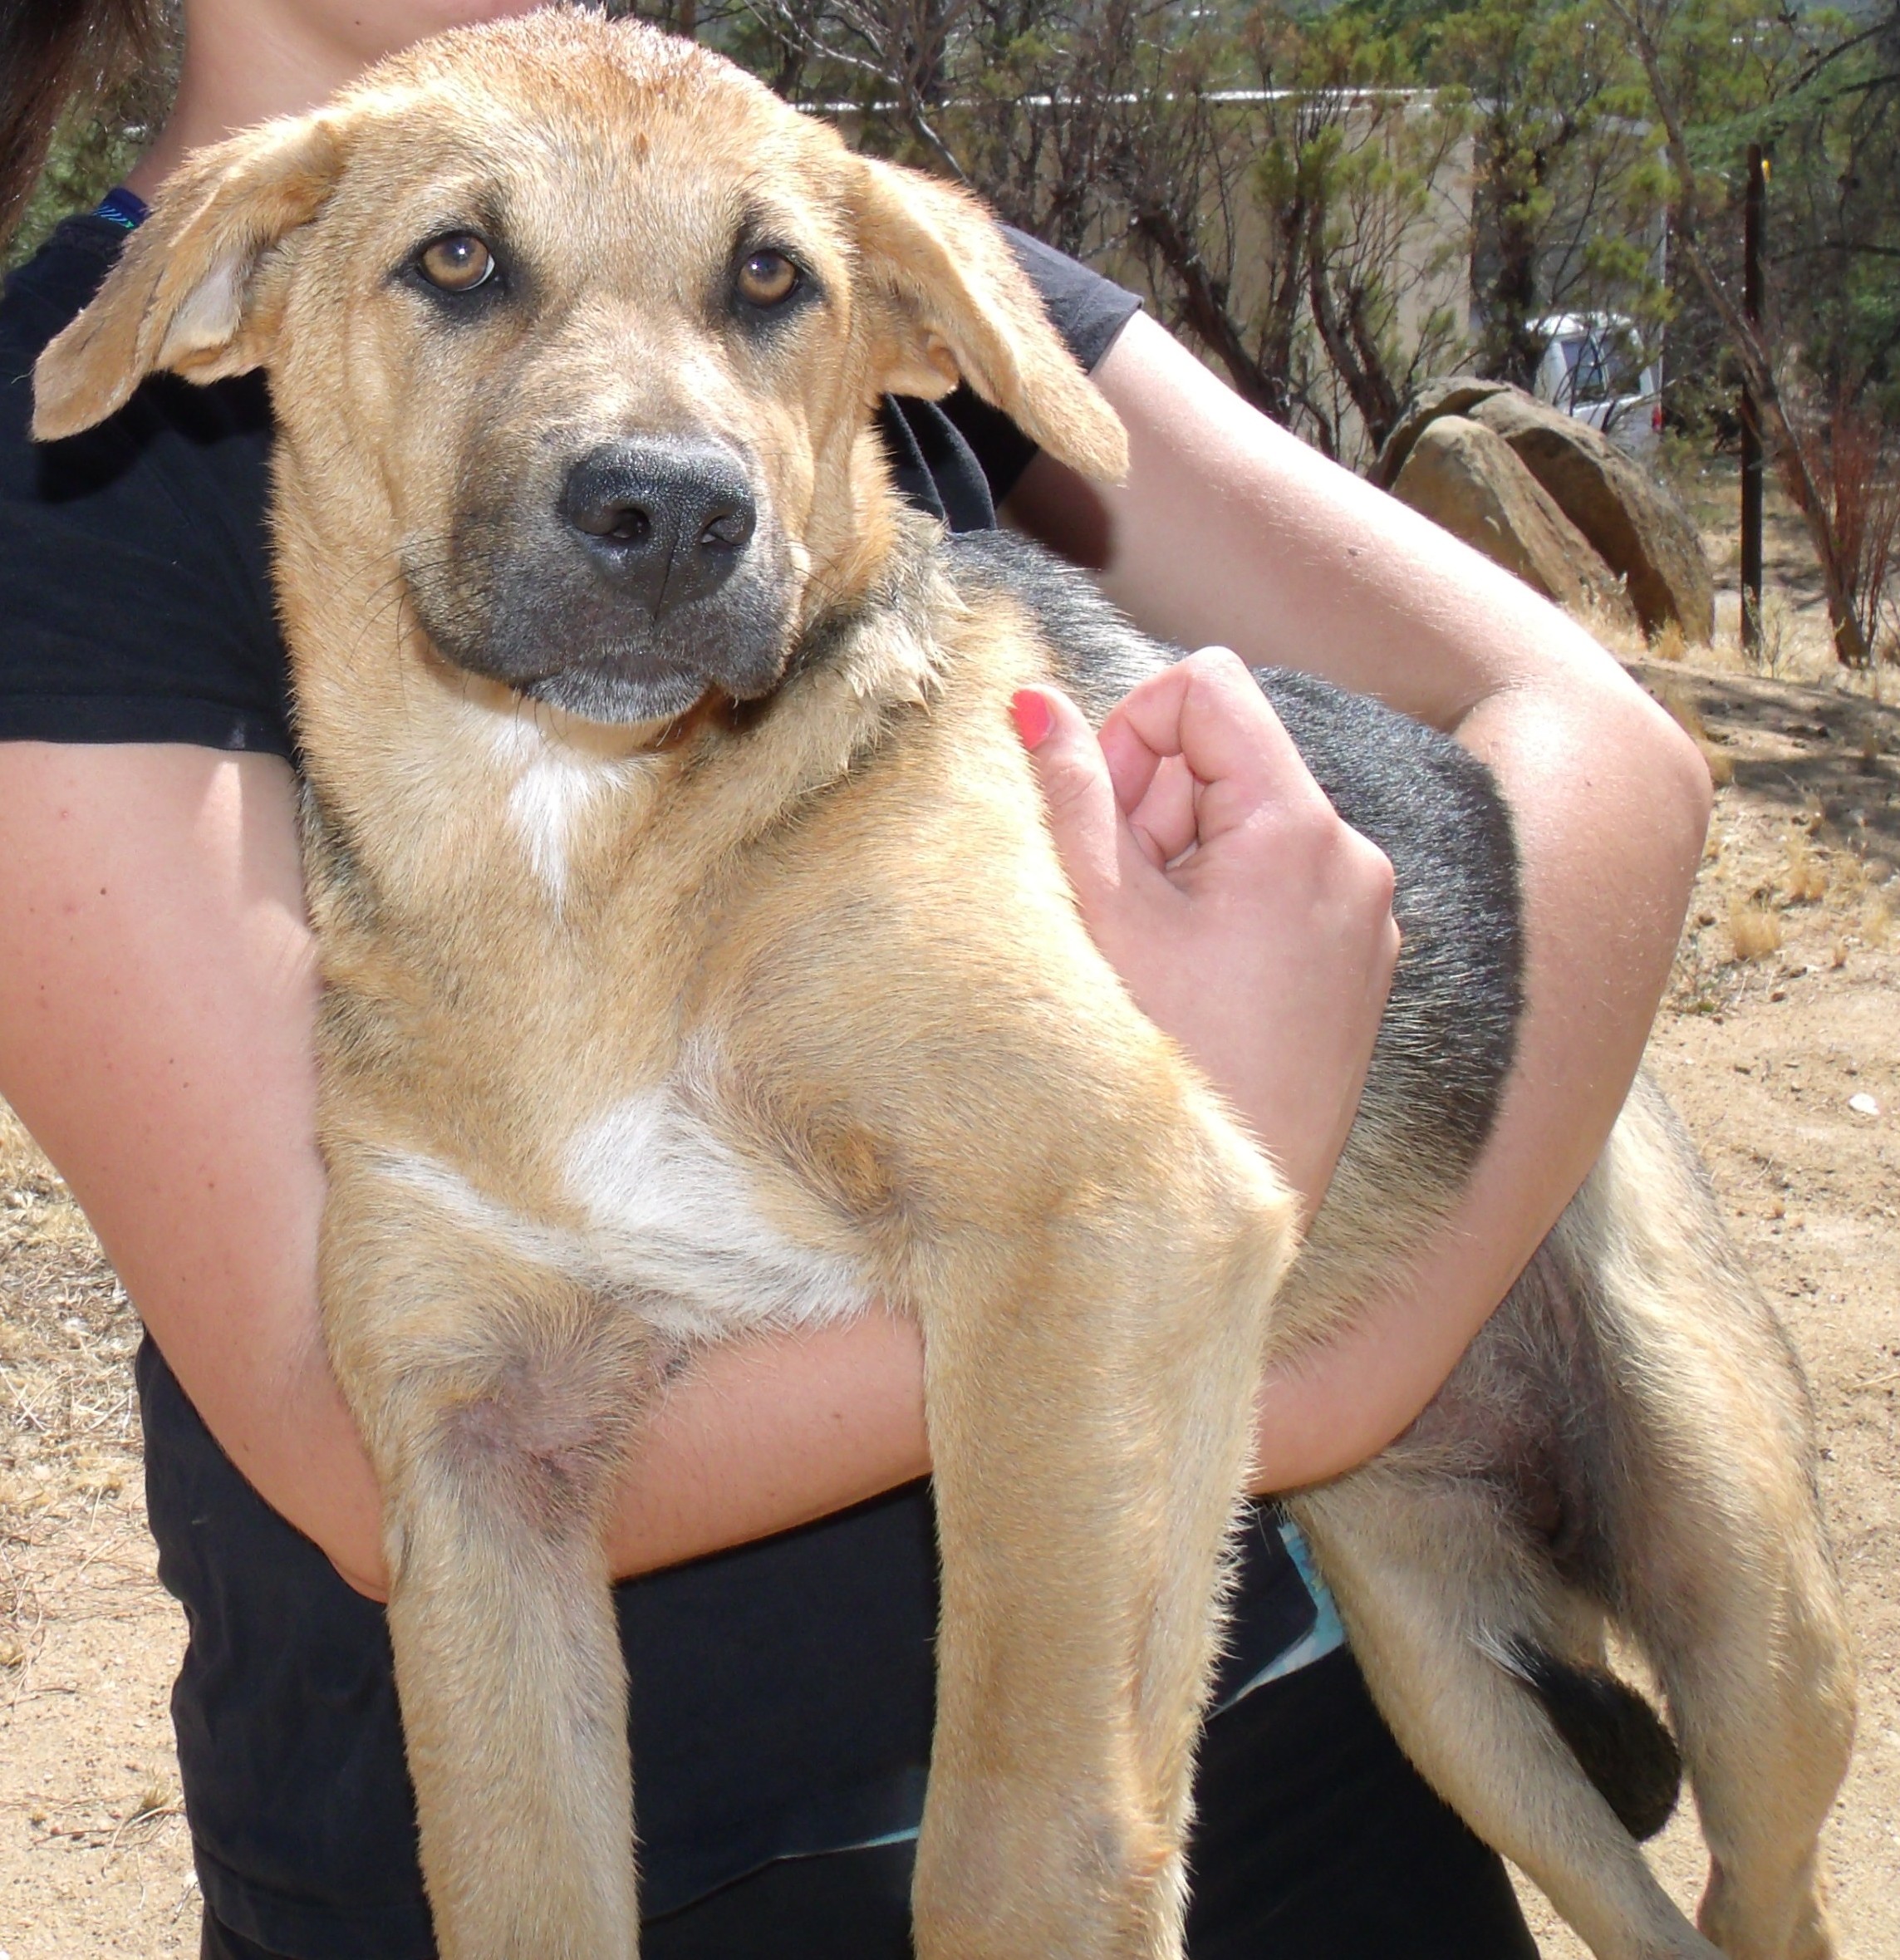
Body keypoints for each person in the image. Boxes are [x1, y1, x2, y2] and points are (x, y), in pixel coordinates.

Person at [0, 2, 1713, 1955]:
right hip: (682, 1870)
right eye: (465, 268)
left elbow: (1601, 747)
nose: (667, 448)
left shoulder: (804, 203)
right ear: (253, 294)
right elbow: (376, 1450)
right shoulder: (55, 464)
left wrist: (1341, 1325)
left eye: (757, 303)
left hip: (1264, 1775)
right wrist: (1177, 1234)